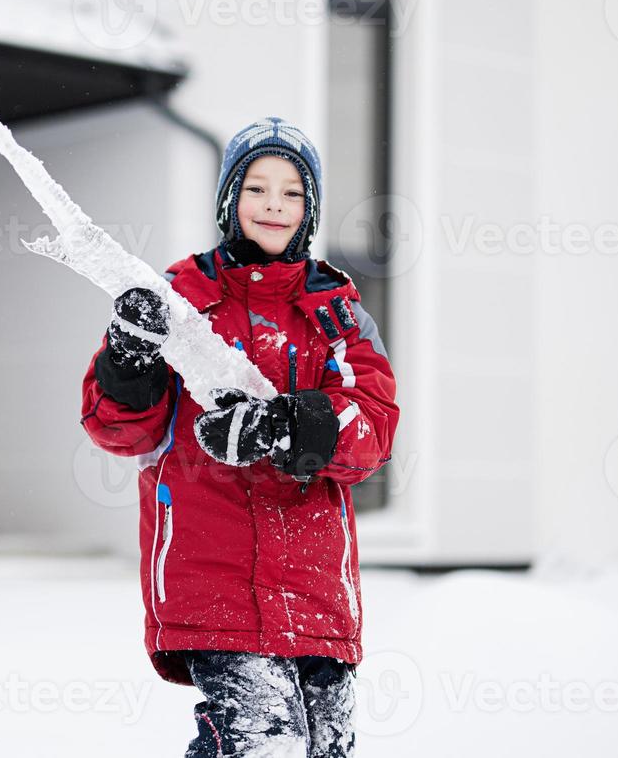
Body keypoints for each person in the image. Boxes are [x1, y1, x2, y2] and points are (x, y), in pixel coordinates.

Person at [79, 118, 400, 757]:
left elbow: (373, 428)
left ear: (309, 211)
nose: (274, 205)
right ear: (229, 200)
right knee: (263, 747)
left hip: (314, 587)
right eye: (257, 188)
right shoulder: (181, 301)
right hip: (213, 572)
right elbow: (120, 431)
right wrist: (130, 358)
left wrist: (291, 426)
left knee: (322, 749)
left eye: (292, 193)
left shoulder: (334, 311)